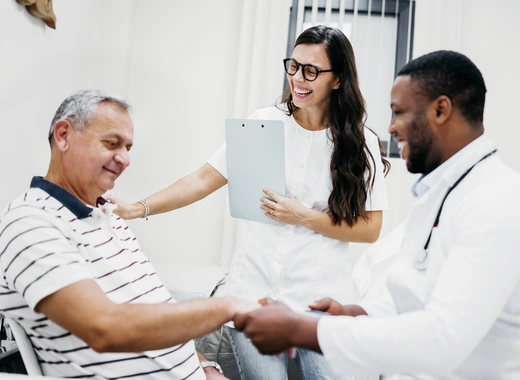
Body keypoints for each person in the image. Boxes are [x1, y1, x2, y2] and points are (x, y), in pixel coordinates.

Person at [233, 50, 520, 379]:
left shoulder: (498, 202)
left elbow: (442, 337)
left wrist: (304, 330)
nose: (391, 128)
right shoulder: (441, 193)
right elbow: (419, 294)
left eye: (399, 112)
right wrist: (358, 312)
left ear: (441, 110)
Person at [109, 25, 390, 380]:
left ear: (337, 80)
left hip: (319, 301)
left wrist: (304, 216)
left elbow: (371, 229)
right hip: (253, 294)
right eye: (293, 66)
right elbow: (201, 180)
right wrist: (138, 208)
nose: (298, 79)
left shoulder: (361, 142)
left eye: (312, 71)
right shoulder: (263, 124)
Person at [0, 90, 260, 380]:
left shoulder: (109, 215)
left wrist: (207, 367)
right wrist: (228, 307)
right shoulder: (30, 221)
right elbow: (103, 328)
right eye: (112, 144)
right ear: (63, 135)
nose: (124, 159)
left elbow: (154, 309)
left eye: (128, 147)